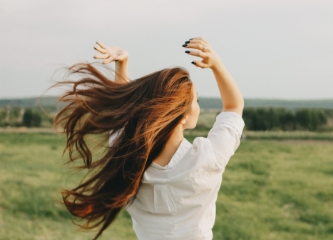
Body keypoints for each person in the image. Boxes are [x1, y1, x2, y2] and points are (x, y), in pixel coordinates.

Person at [55, 37, 244, 240]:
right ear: (182, 116)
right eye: (195, 100)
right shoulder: (207, 158)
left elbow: (124, 115)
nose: (198, 104)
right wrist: (217, 64)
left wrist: (122, 64)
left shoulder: (128, 158)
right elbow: (233, 107)